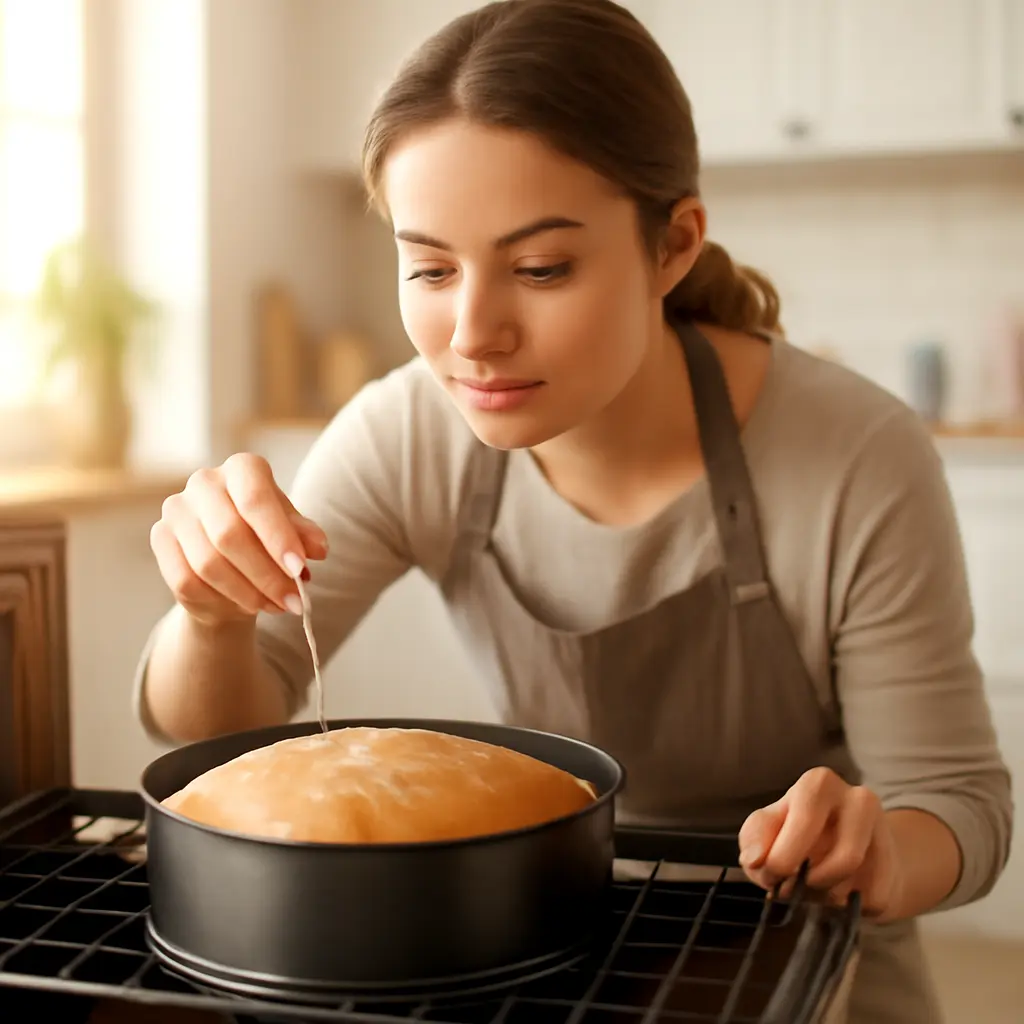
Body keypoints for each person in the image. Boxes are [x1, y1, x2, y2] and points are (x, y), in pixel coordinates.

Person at [133, 1, 1012, 1020]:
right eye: (429, 268)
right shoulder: (410, 432)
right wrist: (209, 615)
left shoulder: (856, 453)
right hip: (540, 955)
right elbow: (219, 730)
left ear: (674, 243)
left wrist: (876, 848)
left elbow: (960, 811)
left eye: (541, 268)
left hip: (805, 970)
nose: (472, 336)